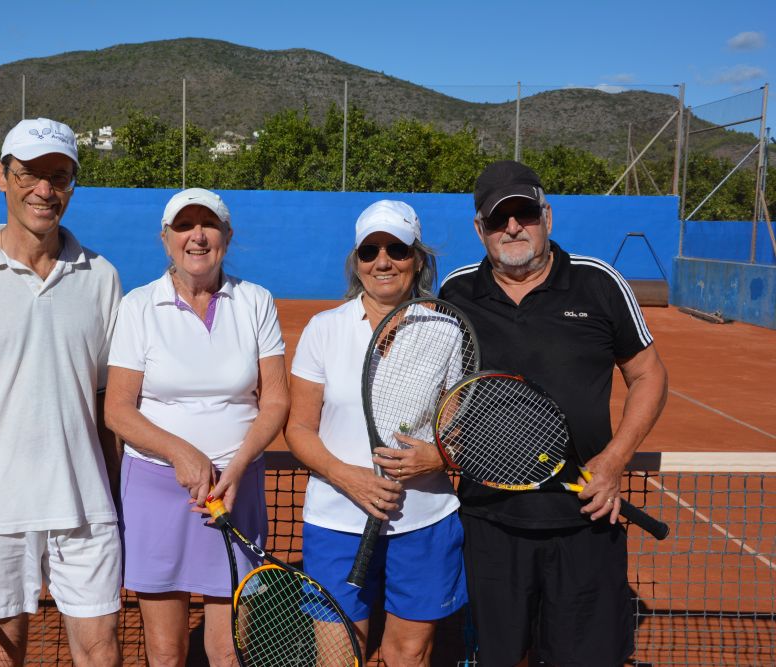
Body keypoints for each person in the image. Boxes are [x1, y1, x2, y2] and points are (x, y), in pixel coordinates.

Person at [438, 160, 668, 667]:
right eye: (497, 219)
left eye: (524, 213)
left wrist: (614, 461)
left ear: (547, 216)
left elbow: (649, 375)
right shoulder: (455, 292)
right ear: (479, 229)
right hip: (488, 522)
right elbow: (442, 387)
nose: (512, 227)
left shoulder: (598, 282)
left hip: (585, 520)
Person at [0, 117, 124, 666]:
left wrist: (117, 497)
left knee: (101, 650)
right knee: (2, 653)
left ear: (71, 186)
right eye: (29, 174)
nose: (44, 190)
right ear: (1, 176)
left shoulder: (102, 277)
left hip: (86, 509)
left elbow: (107, 404)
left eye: (59, 177)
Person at [103, 187, 290, 666]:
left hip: (235, 489)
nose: (198, 236)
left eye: (209, 225)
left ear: (227, 235)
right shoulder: (138, 306)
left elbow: (275, 400)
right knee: (166, 651)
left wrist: (238, 467)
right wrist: (180, 453)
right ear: (166, 239)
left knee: (228, 652)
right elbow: (118, 410)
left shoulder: (256, 301)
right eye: (185, 226)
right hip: (155, 488)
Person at [285, 200, 468, 665]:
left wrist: (437, 457)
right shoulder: (324, 329)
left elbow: (456, 433)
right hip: (336, 522)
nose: (383, 261)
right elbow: (299, 428)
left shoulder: (446, 330)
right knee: (338, 656)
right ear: (357, 261)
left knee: (409, 653)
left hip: (424, 520)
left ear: (418, 259)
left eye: (397, 250)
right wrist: (347, 477)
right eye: (370, 251)